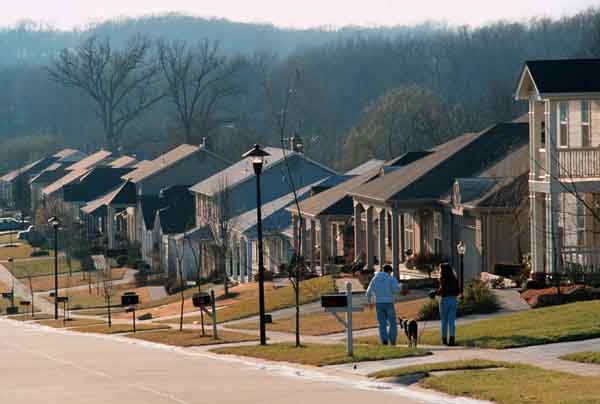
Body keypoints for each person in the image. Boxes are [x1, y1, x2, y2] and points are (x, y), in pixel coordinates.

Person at [366, 264, 405, 345]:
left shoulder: (375, 278)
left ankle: (384, 340)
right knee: (392, 323)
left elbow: (368, 292)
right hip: (389, 303)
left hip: (379, 303)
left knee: (382, 323)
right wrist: (400, 286)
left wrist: (370, 302)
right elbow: (396, 290)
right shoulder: (391, 278)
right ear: (389, 271)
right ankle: (392, 340)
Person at [432, 262, 460, 346]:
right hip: (453, 300)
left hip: (444, 301)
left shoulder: (443, 279)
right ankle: (452, 339)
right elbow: (458, 290)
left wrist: (434, 293)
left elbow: (441, 291)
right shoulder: (454, 279)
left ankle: (444, 339)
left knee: (444, 321)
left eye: (440, 269)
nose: (439, 271)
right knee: (451, 321)